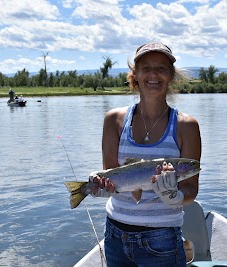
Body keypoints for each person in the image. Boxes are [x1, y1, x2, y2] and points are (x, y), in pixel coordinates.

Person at [91, 42, 201, 267]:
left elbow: (191, 189)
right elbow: (113, 175)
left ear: (171, 76)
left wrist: (175, 196)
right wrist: (99, 184)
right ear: (135, 75)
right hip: (114, 234)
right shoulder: (113, 120)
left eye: (161, 68)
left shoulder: (186, 125)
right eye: (146, 68)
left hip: (162, 239)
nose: (153, 74)